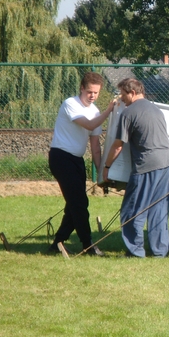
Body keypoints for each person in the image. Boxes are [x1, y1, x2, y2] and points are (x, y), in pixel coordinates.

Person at [103, 78, 169, 258]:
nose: (122, 98)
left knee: (132, 209)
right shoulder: (156, 109)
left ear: (132, 92)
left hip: (146, 164)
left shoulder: (128, 113)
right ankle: (160, 251)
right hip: (166, 162)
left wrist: (106, 167)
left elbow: (118, 145)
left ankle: (135, 251)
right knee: (159, 209)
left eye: (123, 94)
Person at [48, 71, 115, 256]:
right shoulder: (71, 103)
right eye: (89, 92)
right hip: (61, 157)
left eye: (96, 93)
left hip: (76, 160)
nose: (92, 96)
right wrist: (109, 111)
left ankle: (57, 244)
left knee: (74, 204)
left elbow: (95, 147)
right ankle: (88, 245)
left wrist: (102, 171)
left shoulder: (95, 112)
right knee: (79, 203)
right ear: (82, 89)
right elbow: (89, 125)